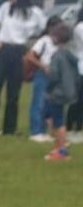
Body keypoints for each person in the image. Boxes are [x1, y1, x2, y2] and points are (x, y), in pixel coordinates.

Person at [0, 0, 45, 137]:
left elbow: (44, 29)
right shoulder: (5, 7)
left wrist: (32, 46)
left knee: (14, 92)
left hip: (19, 51)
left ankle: (9, 128)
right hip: (3, 49)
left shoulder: (34, 12)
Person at [42, 21, 78, 162]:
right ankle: (58, 145)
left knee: (57, 121)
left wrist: (49, 87)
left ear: (56, 38)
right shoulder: (70, 55)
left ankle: (62, 150)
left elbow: (54, 75)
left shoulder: (57, 56)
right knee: (55, 117)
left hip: (57, 92)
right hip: (68, 91)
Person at [24, 16, 62, 144]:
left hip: (54, 76)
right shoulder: (44, 41)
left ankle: (44, 130)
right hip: (43, 74)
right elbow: (30, 56)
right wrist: (43, 66)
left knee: (48, 104)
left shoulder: (60, 43)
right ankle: (36, 131)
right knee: (38, 102)